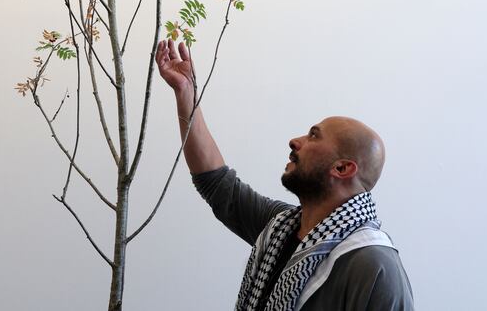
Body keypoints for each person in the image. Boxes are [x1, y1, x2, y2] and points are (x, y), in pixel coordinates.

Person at [156, 39, 414, 310]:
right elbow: (218, 185)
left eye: (314, 136)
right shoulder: (281, 227)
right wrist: (186, 92)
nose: (295, 141)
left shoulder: (374, 265)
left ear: (342, 168)